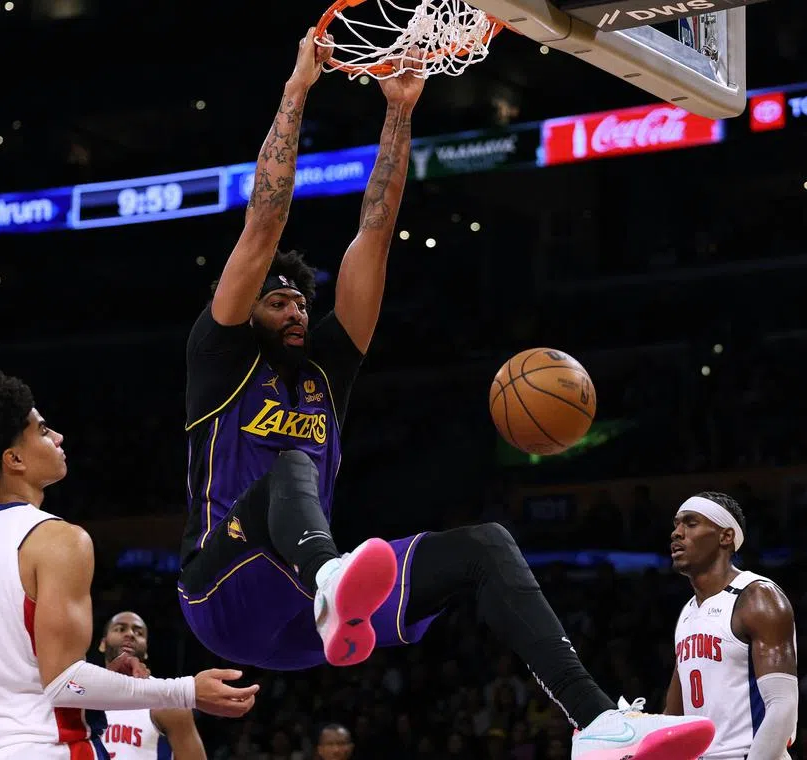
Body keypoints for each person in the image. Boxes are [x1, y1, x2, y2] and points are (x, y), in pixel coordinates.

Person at [179, 27, 715, 760]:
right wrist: (297, 91)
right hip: (222, 591)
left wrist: (399, 111)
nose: (297, 311)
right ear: (246, 310)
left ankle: (595, 723)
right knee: (288, 469)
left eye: (303, 302)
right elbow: (263, 222)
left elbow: (375, 232)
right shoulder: (220, 356)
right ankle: (332, 578)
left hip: (308, 623)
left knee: (486, 546)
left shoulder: (326, 372)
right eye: (279, 302)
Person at [0, 371, 257, 760]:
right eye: (43, 430)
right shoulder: (58, 539)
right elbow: (65, 683)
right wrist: (186, 690)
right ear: (14, 459)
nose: (58, 437)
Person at [666, 492, 799, 760]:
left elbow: (783, 705)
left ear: (725, 537)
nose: (676, 533)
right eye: (676, 524)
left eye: (691, 523)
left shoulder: (757, 596)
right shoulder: (688, 612)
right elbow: (674, 716)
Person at [99, 611, 208, 760]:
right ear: (103, 644)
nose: (130, 634)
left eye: (138, 633)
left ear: (146, 651)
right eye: (120, 629)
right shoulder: (79, 698)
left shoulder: (167, 702)